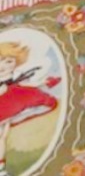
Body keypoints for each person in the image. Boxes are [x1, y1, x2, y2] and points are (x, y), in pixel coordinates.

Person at [0, 42, 58, 176]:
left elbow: (26, 83)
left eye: (8, 61)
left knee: (4, 133)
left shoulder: (15, 77)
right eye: (0, 61)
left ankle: (1, 166)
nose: (3, 65)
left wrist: (44, 82)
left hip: (12, 101)